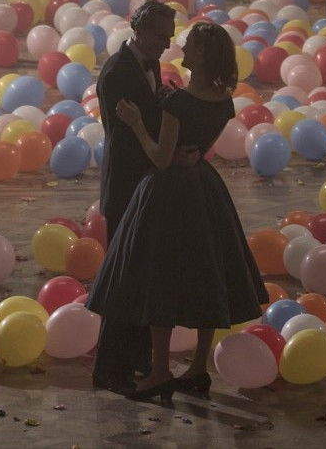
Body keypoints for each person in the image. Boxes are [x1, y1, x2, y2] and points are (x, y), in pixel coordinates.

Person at [87, 20, 268, 402]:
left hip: (167, 194)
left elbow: (161, 157)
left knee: (160, 279)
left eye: (189, 45)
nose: (180, 47)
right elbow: (196, 146)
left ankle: (159, 372)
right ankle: (199, 368)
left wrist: (137, 123)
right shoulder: (224, 100)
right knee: (205, 275)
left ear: (201, 55)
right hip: (203, 189)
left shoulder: (178, 103)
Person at [90, 0, 176, 393]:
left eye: (169, 37)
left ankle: (139, 356)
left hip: (145, 186)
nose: (166, 44)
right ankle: (109, 367)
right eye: (160, 36)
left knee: (144, 276)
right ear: (139, 30)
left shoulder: (150, 63)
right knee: (122, 279)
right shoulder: (116, 73)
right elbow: (127, 138)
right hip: (127, 186)